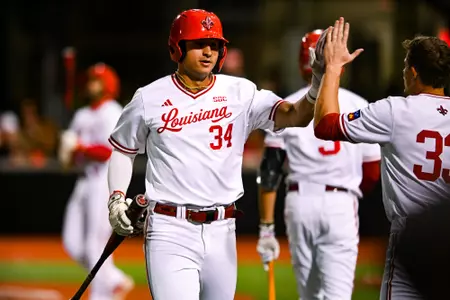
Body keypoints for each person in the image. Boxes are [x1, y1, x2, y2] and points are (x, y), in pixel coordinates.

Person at [106, 9, 328, 300]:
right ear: (177, 47)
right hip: (169, 228)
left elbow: (295, 117)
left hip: (223, 229)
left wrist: (318, 82)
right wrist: (116, 199)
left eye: (215, 44)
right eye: (199, 43)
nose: (208, 51)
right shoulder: (149, 97)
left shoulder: (241, 91)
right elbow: (123, 150)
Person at [313, 18, 450, 299]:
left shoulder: (395, 111)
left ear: (413, 72)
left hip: (413, 236)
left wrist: (334, 68)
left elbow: (325, 125)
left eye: (404, 67)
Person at [256, 29, 381, 300]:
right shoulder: (360, 105)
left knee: (309, 296)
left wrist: (266, 226)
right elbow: (372, 173)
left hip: (299, 202)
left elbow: (270, 171)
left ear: (304, 62)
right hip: (341, 202)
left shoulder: (288, 105)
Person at [59, 63, 134, 300]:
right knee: (72, 243)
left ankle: (101, 295)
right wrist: (68, 151)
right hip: (83, 181)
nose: (91, 84)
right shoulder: (82, 114)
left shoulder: (112, 110)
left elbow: (110, 152)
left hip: (103, 179)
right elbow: (69, 158)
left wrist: (80, 146)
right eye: (90, 79)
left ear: (108, 85)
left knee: (95, 243)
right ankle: (114, 280)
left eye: (96, 80)